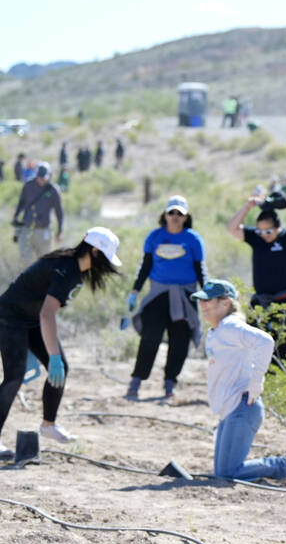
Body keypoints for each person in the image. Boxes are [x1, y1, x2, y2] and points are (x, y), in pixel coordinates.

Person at [0, 228, 123, 452]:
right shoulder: (67, 269)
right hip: (9, 318)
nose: (108, 265)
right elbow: (48, 314)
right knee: (14, 377)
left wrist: (55, 358)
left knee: (60, 368)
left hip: (31, 319)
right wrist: (53, 354)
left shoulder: (75, 267)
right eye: (106, 258)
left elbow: (43, 314)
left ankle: (48, 425)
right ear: (95, 251)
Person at [192, 279, 286, 485]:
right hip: (230, 410)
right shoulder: (216, 332)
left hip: (242, 407)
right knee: (224, 472)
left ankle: (285, 465)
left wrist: (257, 381)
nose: (203, 305)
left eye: (209, 300)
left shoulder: (231, 326)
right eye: (201, 300)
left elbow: (265, 341)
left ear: (225, 303)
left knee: (227, 473)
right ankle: (279, 467)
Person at [126, 196, 207, 400]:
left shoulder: (193, 239)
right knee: (150, 337)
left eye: (179, 213)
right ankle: (136, 381)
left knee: (180, 339)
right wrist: (135, 291)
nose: (175, 217)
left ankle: (170, 383)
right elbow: (145, 266)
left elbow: (200, 270)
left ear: (186, 217)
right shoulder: (154, 237)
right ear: (164, 215)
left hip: (185, 295)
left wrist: (207, 294)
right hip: (158, 294)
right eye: (171, 213)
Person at [226, 191, 286, 364]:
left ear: (278, 227)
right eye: (261, 230)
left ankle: (284, 384)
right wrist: (248, 206)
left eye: (269, 231)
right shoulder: (256, 239)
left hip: (285, 303)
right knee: (255, 346)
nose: (264, 234)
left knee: (283, 348)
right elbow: (232, 228)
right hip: (261, 304)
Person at [13, 164, 64, 265]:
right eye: (39, 176)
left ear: (49, 176)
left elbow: (59, 212)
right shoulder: (28, 185)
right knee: (25, 260)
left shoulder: (53, 190)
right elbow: (21, 203)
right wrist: (15, 217)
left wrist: (60, 231)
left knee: (45, 262)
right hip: (26, 228)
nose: (41, 179)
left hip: (44, 230)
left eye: (43, 177)